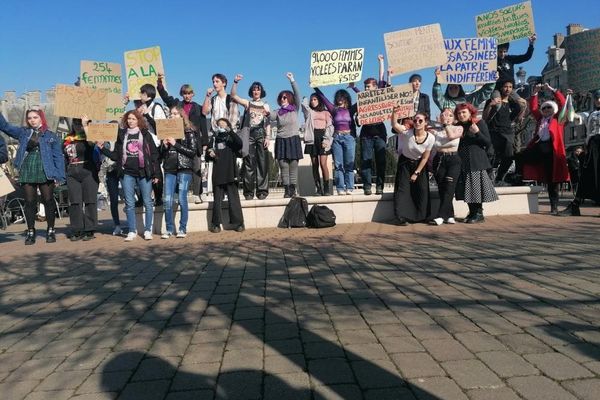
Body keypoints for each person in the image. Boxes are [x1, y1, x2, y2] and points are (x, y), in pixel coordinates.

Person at [0, 109, 65, 244]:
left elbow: (58, 157)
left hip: (46, 169)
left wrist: (59, 176)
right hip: (28, 167)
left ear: (41, 118)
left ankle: (50, 230)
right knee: (29, 201)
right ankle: (30, 231)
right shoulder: (23, 133)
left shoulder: (51, 136)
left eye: (35, 117)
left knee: (48, 200)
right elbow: (5, 127)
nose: (32, 120)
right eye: (29, 118)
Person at [98, 110, 160, 241]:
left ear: (138, 120)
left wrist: (156, 174)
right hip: (127, 173)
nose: (131, 121)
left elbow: (154, 155)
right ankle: (132, 230)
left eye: (133, 119)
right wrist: (102, 148)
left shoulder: (145, 134)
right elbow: (116, 155)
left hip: (144, 172)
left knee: (148, 202)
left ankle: (148, 230)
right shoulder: (122, 135)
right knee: (129, 202)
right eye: (129, 119)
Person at [515, 83, 570, 214]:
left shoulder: (558, 119)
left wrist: (553, 90)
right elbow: (534, 108)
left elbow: (562, 103)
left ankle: (554, 206)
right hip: (539, 147)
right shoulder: (540, 119)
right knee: (521, 157)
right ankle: (518, 178)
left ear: (554, 109)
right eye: (544, 108)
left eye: (549, 108)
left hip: (552, 150)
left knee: (552, 180)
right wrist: (535, 93)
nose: (546, 110)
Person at [157, 74, 208, 204]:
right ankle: (177, 194)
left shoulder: (197, 107)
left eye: (189, 93)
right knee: (177, 168)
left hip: (193, 141)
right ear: (182, 94)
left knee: (197, 168)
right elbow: (165, 97)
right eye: (184, 93)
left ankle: (197, 193)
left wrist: (205, 143)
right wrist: (160, 84)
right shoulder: (176, 104)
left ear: (193, 94)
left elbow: (203, 126)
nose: (187, 95)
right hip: (177, 141)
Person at [454, 103, 499, 223]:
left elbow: (487, 142)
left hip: (476, 161)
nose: (461, 115)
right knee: (466, 189)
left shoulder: (478, 123)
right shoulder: (457, 126)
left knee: (475, 188)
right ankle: (472, 212)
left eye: (464, 112)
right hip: (463, 161)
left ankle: (479, 213)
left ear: (470, 112)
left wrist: (477, 132)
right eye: (459, 113)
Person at [390, 110, 435, 225]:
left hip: (420, 164)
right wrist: (395, 112)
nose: (417, 122)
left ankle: (423, 216)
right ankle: (401, 217)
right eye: (415, 120)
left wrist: (417, 173)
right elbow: (394, 125)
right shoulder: (407, 132)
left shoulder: (430, 138)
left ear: (426, 123)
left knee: (423, 189)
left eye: (420, 120)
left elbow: (425, 157)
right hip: (405, 163)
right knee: (403, 190)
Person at [159, 105, 198, 239]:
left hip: (184, 168)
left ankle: (182, 228)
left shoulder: (189, 132)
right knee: (168, 199)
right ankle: (169, 229)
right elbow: (160, 155)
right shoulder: (165, 131)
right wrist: (163, 146)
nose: (172, 116)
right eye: (171, 114)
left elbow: (193, 152)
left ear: (182, 116)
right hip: (169, 168)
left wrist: (175, 144)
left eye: (175, 114)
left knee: (182, 198)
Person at [230, 74, 271, 200]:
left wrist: (268, 137)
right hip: (249, 134)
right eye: (254, 89)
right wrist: (235, 82)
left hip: (261, 133)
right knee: (248, 163)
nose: (256, 91)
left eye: (258, 89)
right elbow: (234, 96)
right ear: (251, 92)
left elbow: (268, 122)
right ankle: (248, 192)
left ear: (261, 91)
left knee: (262, 163)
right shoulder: (247, 103)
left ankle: (262, 191)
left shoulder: (266, 105)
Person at [353, 54, 389, 195]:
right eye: (365, 87)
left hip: (380, 132)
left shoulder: (379, 95)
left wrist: (381, 61)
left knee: (381, 161)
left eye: (369, 87)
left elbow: (381, 78)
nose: (367, 89)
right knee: (365, 161)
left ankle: (380, 186)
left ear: (375, 87)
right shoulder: (362, 99)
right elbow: (357, 117)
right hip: (366, 134)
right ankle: (367, 187)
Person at [560, 90, 600, 216]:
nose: (598, 100)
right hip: (593, 146)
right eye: (597, 98)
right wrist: (569, 99)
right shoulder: (591, 114)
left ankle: (576, 205)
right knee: (587, 174)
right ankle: (575, 205)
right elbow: (574, 116)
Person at [314, 86, 356, 195]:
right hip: (337, 137)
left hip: (349, 137)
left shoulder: (350, 110)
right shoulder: (333, 109)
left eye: (342, 97)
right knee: (338, 164)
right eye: (338, 97)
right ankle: (340, 188)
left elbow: (364, 99)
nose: (340, 99)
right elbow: (323, 98)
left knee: (349, 163)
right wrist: (316, 87)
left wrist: (354, 87)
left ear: (346, 98)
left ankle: (350, 187)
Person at [66, 117, 101, 241]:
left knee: (90, 200)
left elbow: (92, 143)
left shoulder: (88, 136)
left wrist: (86, 126)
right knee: (75, 202)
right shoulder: (67, 139)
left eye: (79, 123)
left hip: (87, 170)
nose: (77, 125)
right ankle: (77, 228)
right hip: (72, 171)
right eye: (75, 123)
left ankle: (90, 229)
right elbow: (63, 156)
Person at [206, 118, 244, 233]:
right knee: (217, 200)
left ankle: (239, 223)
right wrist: (210, 153)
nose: (221, 126)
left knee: (234, 199)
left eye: (223, 125)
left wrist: (229, 130)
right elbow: (207, 155)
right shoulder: (213, 139)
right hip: (218, 173)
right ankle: (215, 224)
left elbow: (239, 143)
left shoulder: (231, 138)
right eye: (219, 125)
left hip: (230, 172)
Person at [483, 79, 522, 185]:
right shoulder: (494, 101)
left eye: (510, 87)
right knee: (489, 154)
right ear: (501, 88)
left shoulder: (514, 104)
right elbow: (484, 117)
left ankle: (499, 178)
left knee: (509, 157)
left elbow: (514, 118)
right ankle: (487, 177)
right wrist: (491, 105)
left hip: (507, 133)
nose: (508, 89)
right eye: (505, 86)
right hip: (493, 132)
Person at [429, 108, 464, 225]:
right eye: (444, 115)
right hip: (439, 160)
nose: (447, 117)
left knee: (450, 187)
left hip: (453, 159)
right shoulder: (435, 131)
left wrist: (445, 124)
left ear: (454, 119)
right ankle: (450, 215)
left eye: (450, 115)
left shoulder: (458, 128)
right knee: (443, 189)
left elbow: (451, 136)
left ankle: (440, 216)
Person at [271, 72, 303, 198]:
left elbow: (298, 94)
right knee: (283, 166)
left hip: (293, 138)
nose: (282, 99)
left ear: (289, 98)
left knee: (293, 165)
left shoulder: (295, 108)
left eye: (285, 97)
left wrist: (292, 80)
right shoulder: (277, 112)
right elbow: (269, 115)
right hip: (281, 140)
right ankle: (286, 190)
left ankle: (293, 189)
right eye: (281, 98)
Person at [138, 84, 167, 206]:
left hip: (154, 142)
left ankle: (158, 196)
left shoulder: (157, 108)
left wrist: (146, 115)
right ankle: (142, 197)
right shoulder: (141, 107)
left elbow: (160, 128)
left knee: (155, 169)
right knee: (141, 168)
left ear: (147, 94)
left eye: (141, 93)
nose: (140, 95)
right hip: (142, 142)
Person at [301, 94, 333, 196]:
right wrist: (305, 98)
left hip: (323, 137)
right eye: (311, 100)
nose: (313, 101)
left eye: (315, 99)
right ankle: (318, 188)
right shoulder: (310, 112)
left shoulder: (326, 112)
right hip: (312, 138)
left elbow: (330, 126)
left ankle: (326, 187)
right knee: (315, 164)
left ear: (319, 100)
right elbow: (303, 106)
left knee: (323, 163)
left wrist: (327, 140)